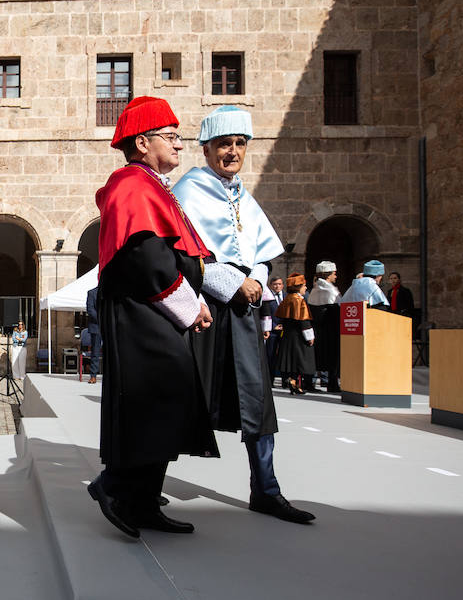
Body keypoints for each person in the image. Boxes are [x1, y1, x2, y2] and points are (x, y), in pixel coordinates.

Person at [172, 106, 313, 525]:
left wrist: (255, 277)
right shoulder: (190, 189)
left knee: (257, 400)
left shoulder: (241, 195)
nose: (232, 152)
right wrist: (232, 283)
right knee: (184, 398)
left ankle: (266, 490)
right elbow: (184, 255)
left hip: (244, 313)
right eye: (224, 145)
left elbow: (262, 251)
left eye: (239, 145)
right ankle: (140, 484)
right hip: (206, 312)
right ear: (207, 148)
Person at [86, 95, 217, 538]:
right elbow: (148, 259)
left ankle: (143, 502)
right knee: (153, 402)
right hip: (140, 311)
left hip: (153, 310)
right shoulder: (132, 185)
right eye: (171, 137)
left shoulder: (149, 184)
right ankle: (115, 486)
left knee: (169, 401)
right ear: (143, 142)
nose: (179, 146)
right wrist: (189, 306)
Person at [275, 275, 317, 395]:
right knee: (299, 362)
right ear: (298, 287)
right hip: (299, 337)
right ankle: (295, 383)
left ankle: (293, 382)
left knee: (292, 362)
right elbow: (304, 320)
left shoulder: (287, 299)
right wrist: (310, 337)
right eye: (304, 285)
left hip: (288, 336)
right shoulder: (299, 301)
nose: (305, 288)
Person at [305, 262, 341, 393]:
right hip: (331, 330)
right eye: (334, 273)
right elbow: (336, 311)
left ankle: (309, 382)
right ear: (328, 275)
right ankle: (332, 383)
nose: (336, 276)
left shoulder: (315, 289)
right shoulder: (330, 290)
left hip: (318, 329)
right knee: (333, 357)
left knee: (316, 356)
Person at [264, 276, 285, 377]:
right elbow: (266, 313)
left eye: (279, 284)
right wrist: (273, 326)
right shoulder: (268, 297)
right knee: (270, 355)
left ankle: (285, 380)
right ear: (271, 285)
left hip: (285, 331)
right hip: (272, 332)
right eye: (275, 284)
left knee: (284, 356)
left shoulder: (286, 296)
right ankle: (270, 378)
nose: (277, 286)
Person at [84, 286, 102, 383]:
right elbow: (90, 309)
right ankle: (93, 376)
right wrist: (101, 319)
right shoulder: (91, 293)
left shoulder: (110, 292)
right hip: (96, 326)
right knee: (95, 352)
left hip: (108, 326)